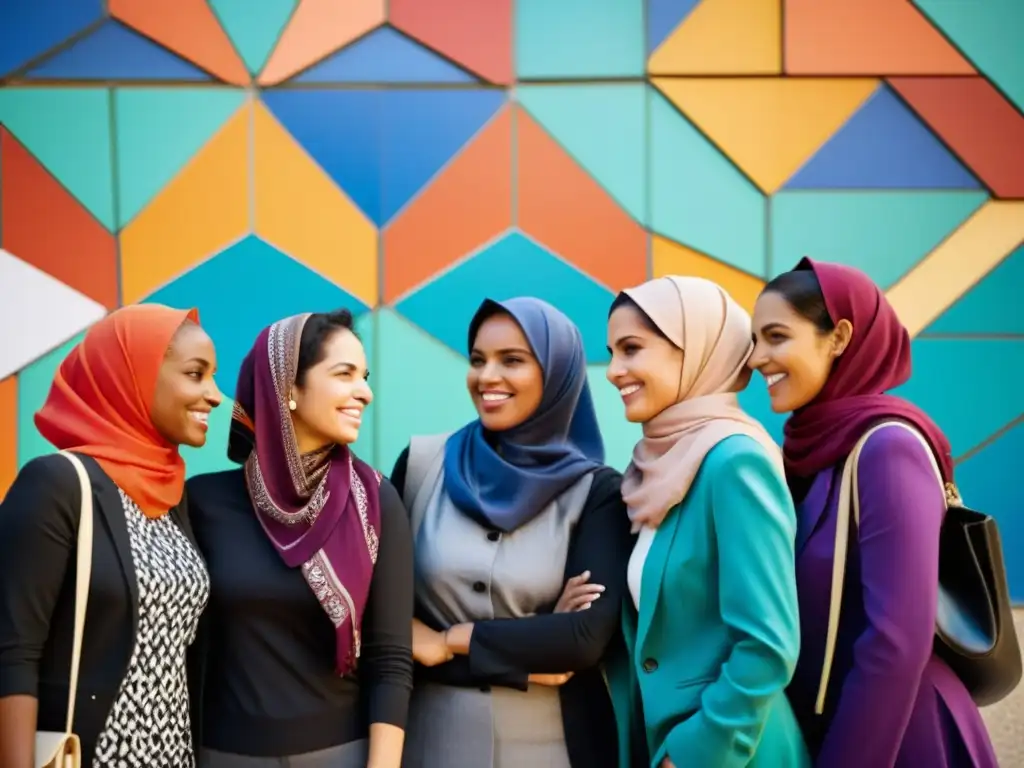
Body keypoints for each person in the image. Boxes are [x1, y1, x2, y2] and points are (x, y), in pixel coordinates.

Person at [748, 257, 998, 767]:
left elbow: (897, 640)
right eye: (754, 341)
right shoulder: (812, 454)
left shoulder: (886, 447)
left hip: (899, 737)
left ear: (839, 337)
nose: (757, 358)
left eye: (776, 337)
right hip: (832, 728)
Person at [390, 297, 633, 768]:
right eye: (478, 360)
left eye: (512, 361)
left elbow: (581, 640)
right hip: (428, 742)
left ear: (558, 373)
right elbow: (380, 615)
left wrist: (446, 641)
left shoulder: (597, 492)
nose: (486, 377)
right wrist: (533, 650)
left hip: (554, 748)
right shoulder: (420, 466)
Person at [186, 309, 413, 768]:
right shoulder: (202, 501)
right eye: (344, 374)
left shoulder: (374, 500)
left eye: (364, 376)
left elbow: (390, 658)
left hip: (339, 754)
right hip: (223, 755)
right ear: (288, 387)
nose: (364, 392)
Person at [0, 304, 223, 768]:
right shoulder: (57, 484)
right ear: (133, 376)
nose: (214, 395)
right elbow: (13, 651)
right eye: (195, 374)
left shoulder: (172, 496)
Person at [604, 276, 809, 768]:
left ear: (695, 350)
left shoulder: (734, 462)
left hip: (732, 751)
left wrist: (697, 752)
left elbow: (768, 643)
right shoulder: (656, 466)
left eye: (632, 349)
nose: (614, 371)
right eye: (611, 351)